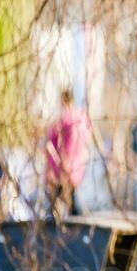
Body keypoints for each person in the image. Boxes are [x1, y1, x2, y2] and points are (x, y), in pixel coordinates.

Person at [43, 87, 92, 218]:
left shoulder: (64, 121)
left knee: (58, 201)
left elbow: (52, 144)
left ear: (62, 100)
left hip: (61, 168)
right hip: (76, 167)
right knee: (69, 199)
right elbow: (86, 141)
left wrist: (55, 166)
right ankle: (72, 221)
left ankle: (60, 226)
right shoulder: (82, 119)